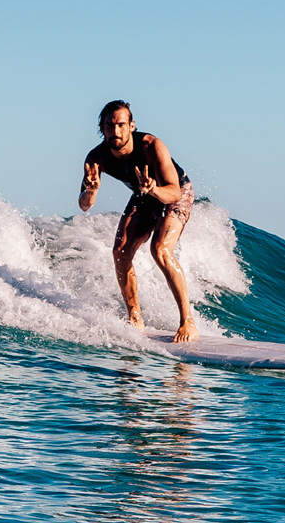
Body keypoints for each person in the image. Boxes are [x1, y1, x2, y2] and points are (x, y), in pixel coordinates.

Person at [80, 100, 198, 343]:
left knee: (160, 249)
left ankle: (188, 321)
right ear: (101, 128)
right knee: (120, 252)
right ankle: (135, 318)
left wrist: (154, 189)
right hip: (144, 193)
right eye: (109, 126)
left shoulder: (151, 146)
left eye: (121, 125)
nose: (116, 131)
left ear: (131, 126)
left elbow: (173, 192)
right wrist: (90, 192)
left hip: (174, 191)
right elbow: (84, 205)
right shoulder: (96, 158)